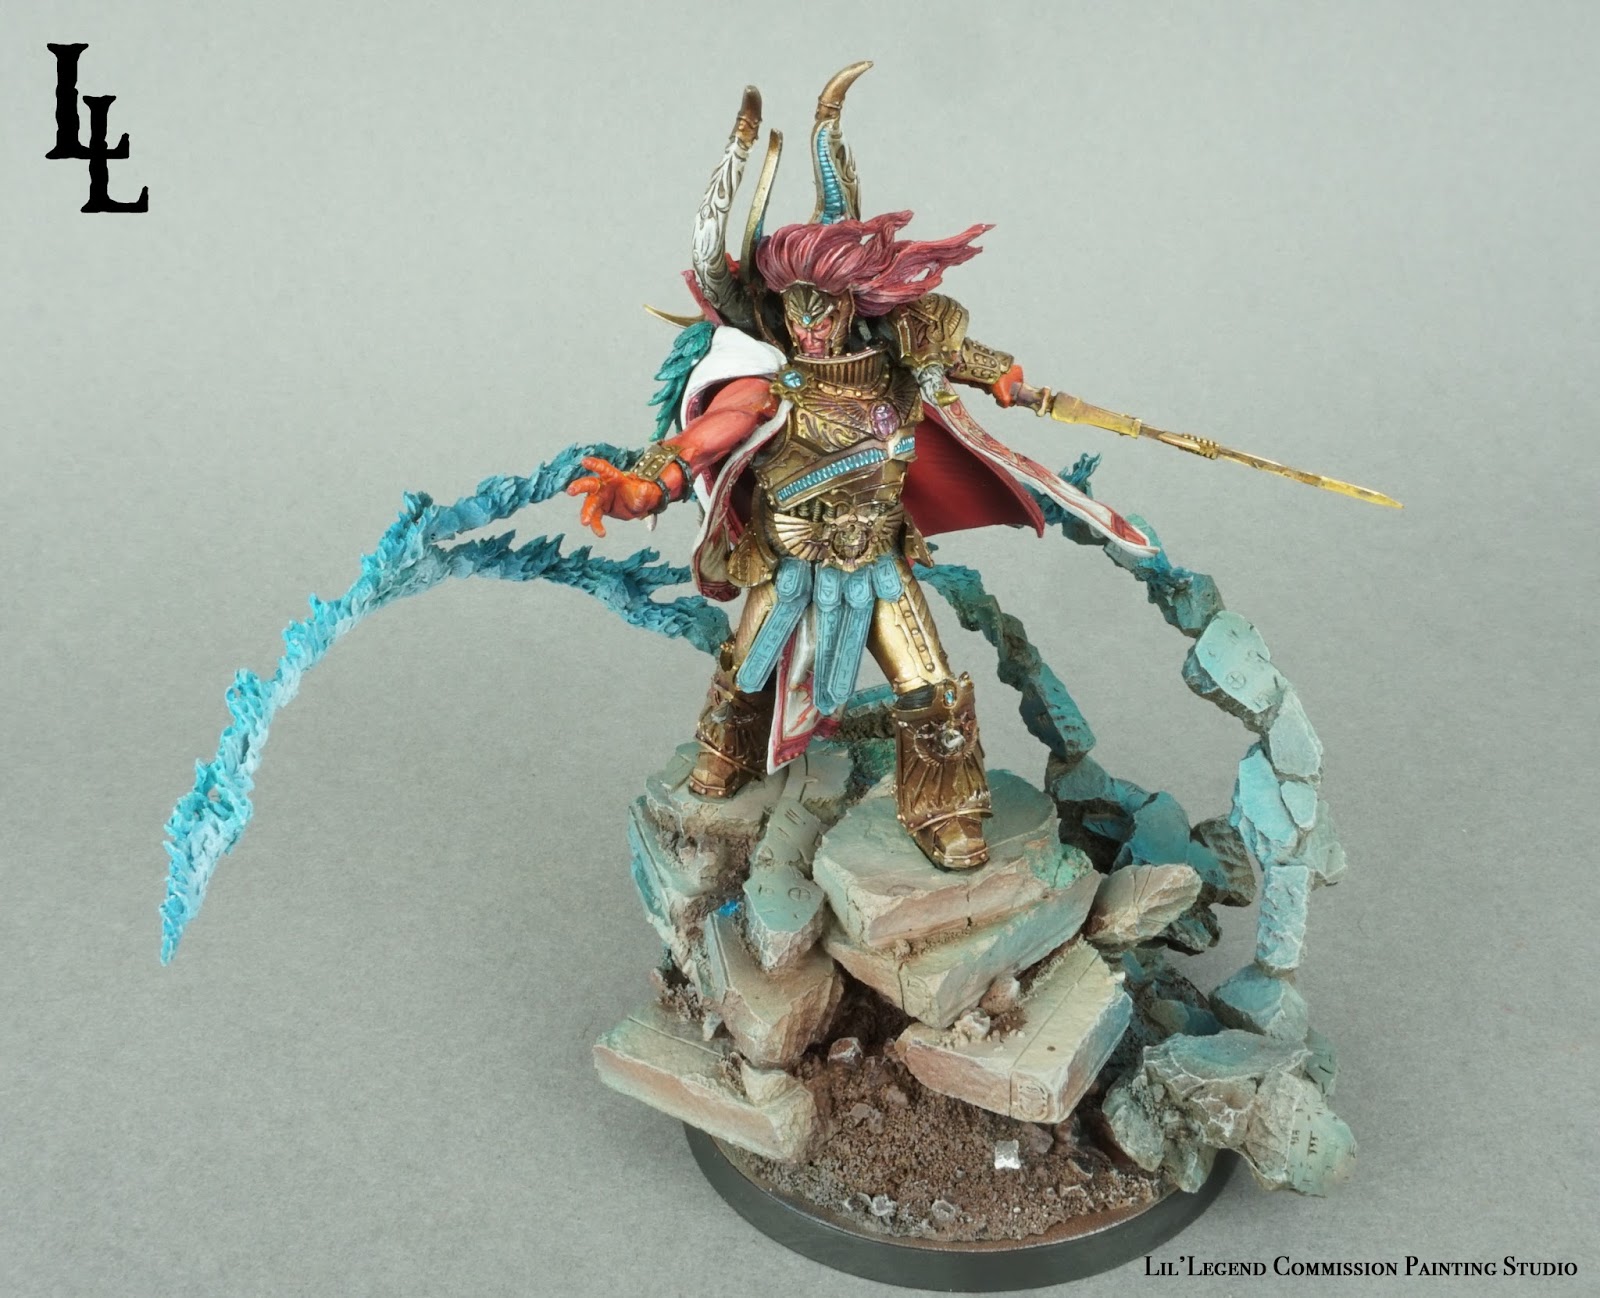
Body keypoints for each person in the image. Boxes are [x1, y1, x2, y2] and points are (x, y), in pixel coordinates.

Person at [569, 65, 1152, 871]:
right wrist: (650, 481)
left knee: (931, 689)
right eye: (796, 307)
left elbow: (971, 359)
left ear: (856, 304)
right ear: (780, 309)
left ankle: (946, 810)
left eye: (826, 306)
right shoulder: (773, 381)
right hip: (791, 559)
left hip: (878, 558)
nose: (810, 323)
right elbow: (715, 431)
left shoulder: (902, 360)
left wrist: (1011, 381)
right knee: (747, 670)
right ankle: (726, 754)